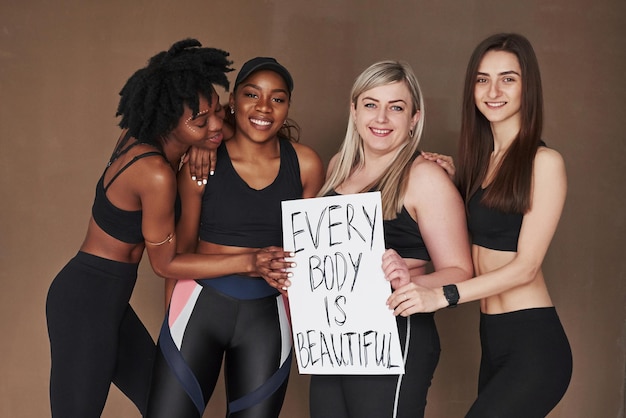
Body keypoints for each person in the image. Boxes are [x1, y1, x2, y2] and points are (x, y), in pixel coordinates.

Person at [44, 39, 281, 418]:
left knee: (165, 406)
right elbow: (166, 264)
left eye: (218, 112)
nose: (217, 124)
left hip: (110, 302)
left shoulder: (151, 139)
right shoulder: (155, 173)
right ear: (168, 121)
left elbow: (227, 130)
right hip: (85, 303)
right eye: (202, 121)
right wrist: (248, 261)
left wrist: (204, 140)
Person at [388, 33, 573, 417]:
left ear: (528, 86)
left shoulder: (544, 162)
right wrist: (455, 184)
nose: (493, 90)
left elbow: (526, 267)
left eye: (508, 78)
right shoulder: (481, 164)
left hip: (533, 342)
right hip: (493, 338)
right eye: (482, 79)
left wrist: (444, 296)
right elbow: (477, 229)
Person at [145, 57, 325, 418]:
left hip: (268, 317)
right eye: (251, 94)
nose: (263, 107)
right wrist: (172, 322)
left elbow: (309, 255)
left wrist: (313, 333)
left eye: (277, 98)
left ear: (288, 107)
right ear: (233, 101)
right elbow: (180, 253)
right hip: (198, 307)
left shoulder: (305, 164)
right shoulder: (203, 163)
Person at [306, 61, 473, 418]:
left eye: (396, 107)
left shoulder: (425, 177)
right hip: (334, 338)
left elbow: (460, 271)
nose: (381, 118)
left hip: (396, 332)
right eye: (371, 104)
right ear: (353, 111)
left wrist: (408, 283)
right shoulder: (338, 166)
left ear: (414, 118)